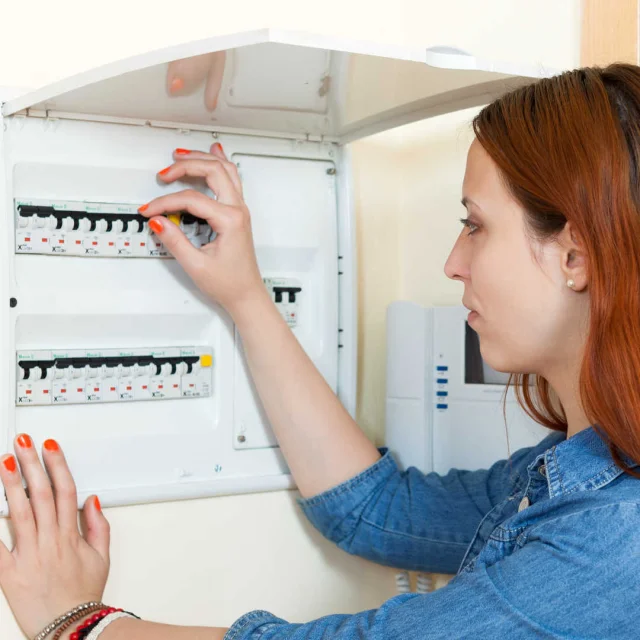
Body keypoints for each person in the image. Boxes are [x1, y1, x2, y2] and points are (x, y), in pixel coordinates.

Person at [1, 61, 640, 640]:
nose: (452, 263)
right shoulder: (577, 472)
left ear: (575, 256)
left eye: (475, 224)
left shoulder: (611, 540)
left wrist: (77, 625)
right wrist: (249, 298)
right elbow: (378, 511)